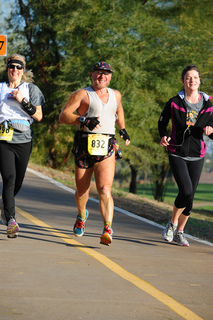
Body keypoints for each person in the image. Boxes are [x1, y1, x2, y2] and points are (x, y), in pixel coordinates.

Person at [59, 61, 130, 245]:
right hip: (84, 143)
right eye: (98, 73)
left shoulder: (116, 95)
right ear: (92, 75)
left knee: (105, 189)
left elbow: (119, 110)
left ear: (111, 77)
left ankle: (107, 228)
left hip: (106, 144)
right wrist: (82, 119)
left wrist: (122, 129)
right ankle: (82, 215)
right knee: (82, 190)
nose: (102, 76)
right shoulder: (83, 94)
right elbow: (64, 115)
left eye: (106, 74)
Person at [158, 64, 213, 246]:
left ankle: (180, 232)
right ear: (183, 81)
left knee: (190, 197)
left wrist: (210, 131)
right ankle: (172, 224)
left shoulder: (208, 104)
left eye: (195, 78)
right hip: (177, 152)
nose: (192, 81)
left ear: (199, 80)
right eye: (188, 78)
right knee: (186, 191)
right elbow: (162, 121)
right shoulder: (174, 102)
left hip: (198, 154)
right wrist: (163, 135)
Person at [0, 53, 45, 238]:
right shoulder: (0, 88)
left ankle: (4, 205)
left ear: (23, 70)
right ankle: (11, 221)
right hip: (3, 139)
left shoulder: (31, 89)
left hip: (24, 140)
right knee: (9, 179)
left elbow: (39, 116)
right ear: (7, 69)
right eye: (12, 66)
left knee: (18, 182)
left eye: (19, 67)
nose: (15, 70)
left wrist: (22, 100)